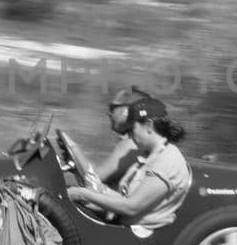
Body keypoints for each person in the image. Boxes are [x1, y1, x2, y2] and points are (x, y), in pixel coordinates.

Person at [67, 96, 192, 230]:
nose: (130, 136)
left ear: (149, 126)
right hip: (124, 227)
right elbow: (124, 198)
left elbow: (131, 207)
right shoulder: (148, 157)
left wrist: (83, 194)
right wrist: (93, 193)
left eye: (132, 130)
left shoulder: (167, 160)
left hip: (137, 238)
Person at [94, 85, 153, 186]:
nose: (109, 114)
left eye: (113, 109)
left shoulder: (131, 144)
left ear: (127, 112)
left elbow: (94, 178)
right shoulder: (142, 142)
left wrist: (73, 147)